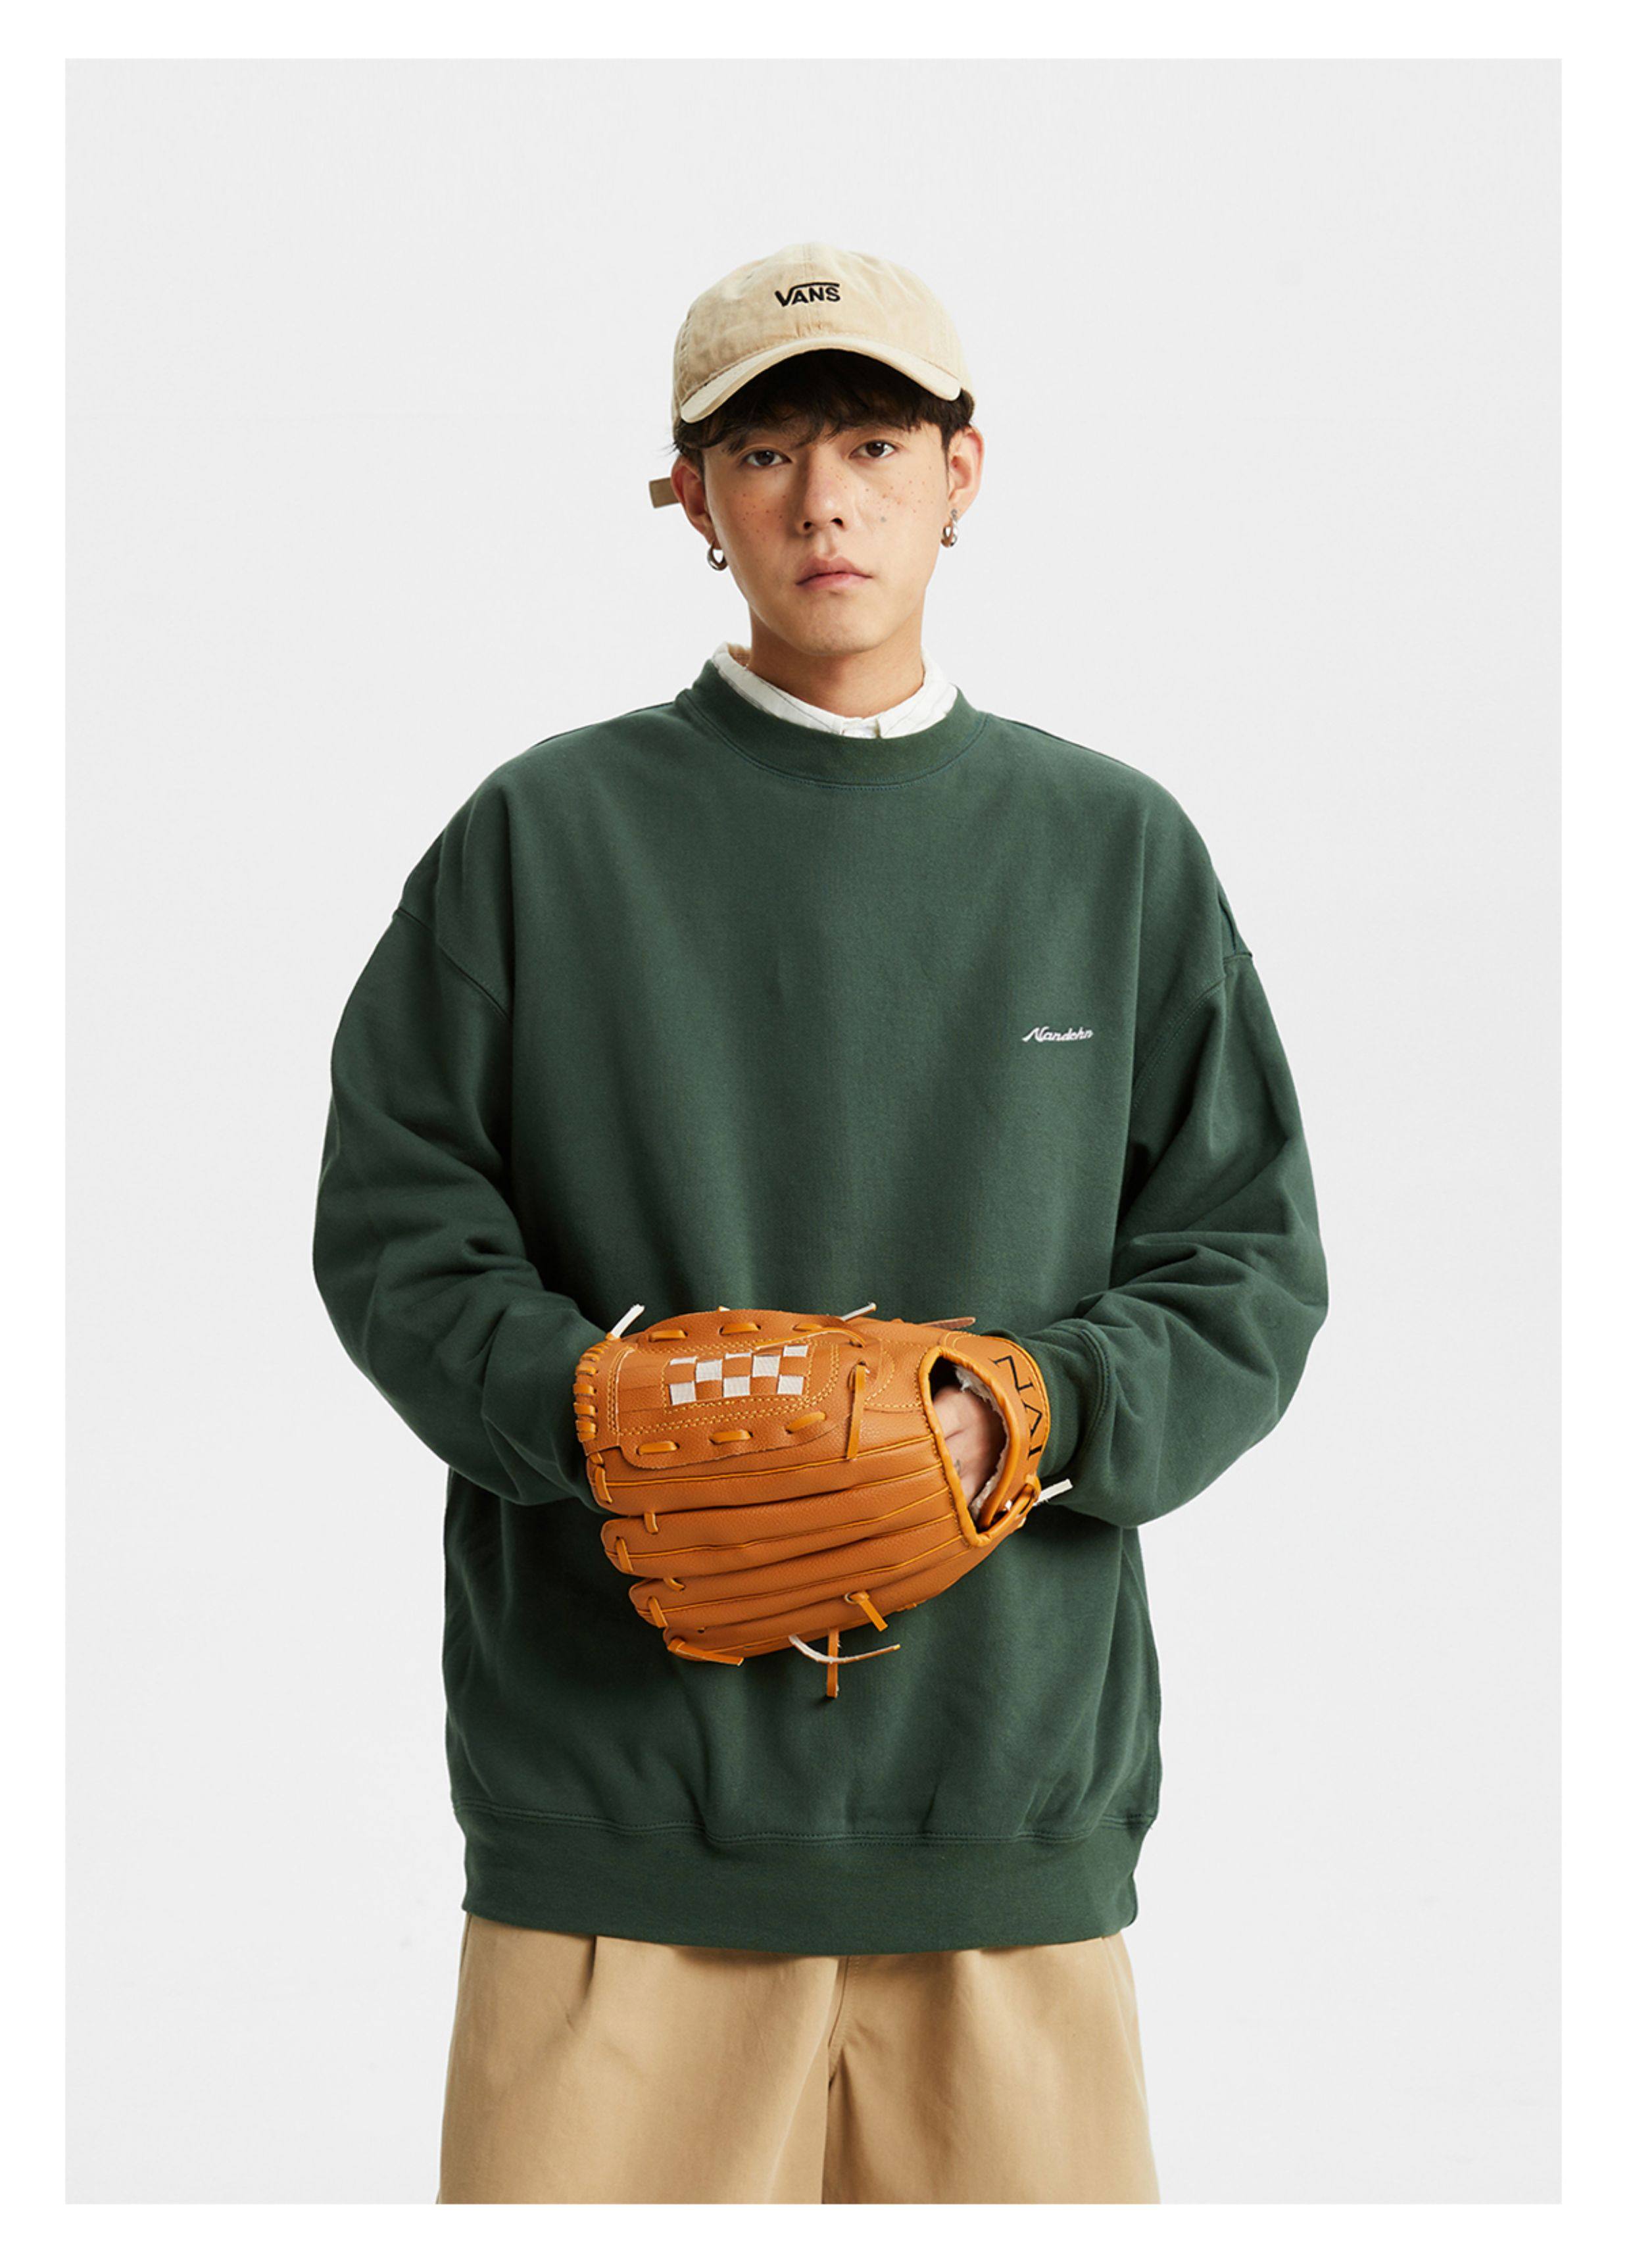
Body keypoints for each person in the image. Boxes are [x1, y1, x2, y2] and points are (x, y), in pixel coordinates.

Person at [311, 240, 1329, 2205]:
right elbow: (396, 1226)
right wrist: (597, 1407)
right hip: (615, 1837)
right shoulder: (542, 837)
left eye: (872, 442)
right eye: (765, 454)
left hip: (1003, 1834)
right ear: (691, 498)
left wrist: (1016, 1413)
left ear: (964, 471)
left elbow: (1249, 1263)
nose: (823, 502)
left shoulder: (1111, 849)